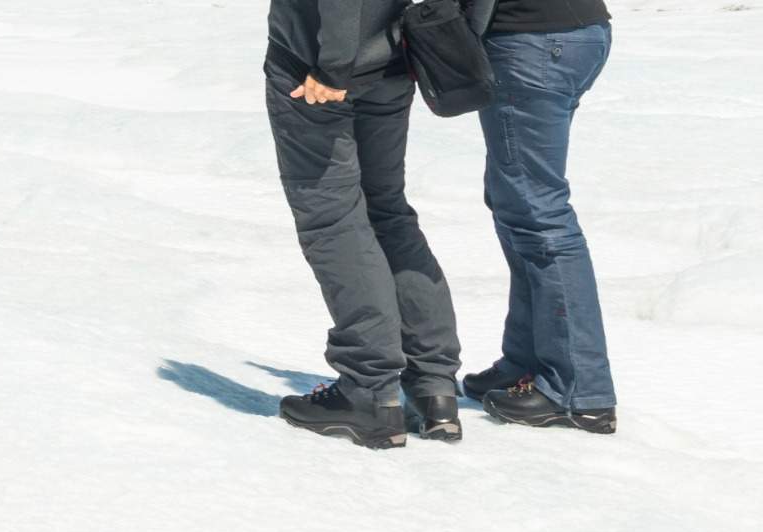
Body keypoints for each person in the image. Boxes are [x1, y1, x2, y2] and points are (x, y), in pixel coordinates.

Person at [263, 0, 465, 448]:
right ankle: (434, 386)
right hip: (391, 60)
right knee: (386, 212)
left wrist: (335, 65)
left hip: (320, 72)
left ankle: (369, 392)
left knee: (333, 220)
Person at [461, 0, 618, 434]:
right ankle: (526, 362)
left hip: (533, 42)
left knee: (538, 211)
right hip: (572, 34)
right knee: (514, 200)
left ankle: (578, 391)